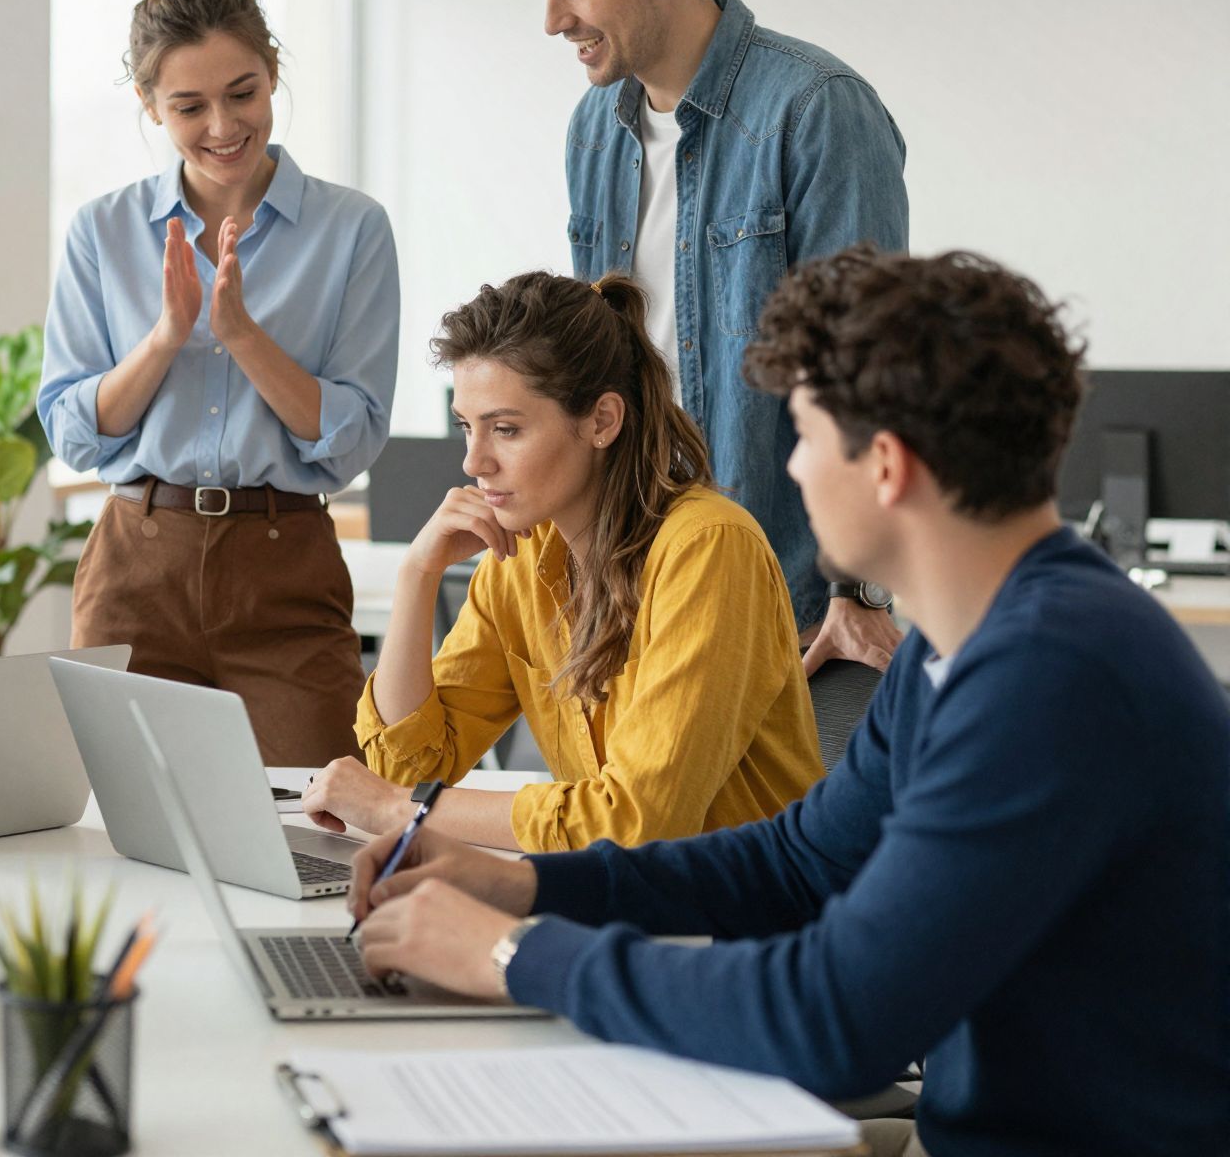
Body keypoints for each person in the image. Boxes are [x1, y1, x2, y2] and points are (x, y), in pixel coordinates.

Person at [347, 247, 1230, 1157]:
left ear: (884, 466)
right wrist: (524, 883)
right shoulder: (961, 642)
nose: (794, 472)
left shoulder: (1049, 677)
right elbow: (799, 862)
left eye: (802, 436)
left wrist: (511, 955)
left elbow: (837, 1014)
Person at [499, 0, 909, 675]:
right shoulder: (595, 128)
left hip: (792, 601)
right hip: (636, 583)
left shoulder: (816, 110)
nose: (554, 21)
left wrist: (859, 587)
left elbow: (870, 360)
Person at [302, 270, 821, 850]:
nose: (473, 462)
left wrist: (398, 811)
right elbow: (410, 767)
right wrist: (417, 574)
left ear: (602, 421)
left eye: (505, 429)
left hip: (744, 902)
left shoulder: (709, 548)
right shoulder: (520, 558)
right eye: (467, 427)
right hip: (619, 894)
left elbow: (633, 821)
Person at [40, 0, 400, 767]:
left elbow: (351, 438)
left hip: (284, 569)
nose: (223, 127)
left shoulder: (352, 229)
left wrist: (240, 334)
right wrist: (166, 338)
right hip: (136, 567)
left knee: (318, 818)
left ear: (273, 72)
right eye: (188, 106)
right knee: (123, 820)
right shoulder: (102, 230)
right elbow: (72, 432)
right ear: (148, 104)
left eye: (243, 93)